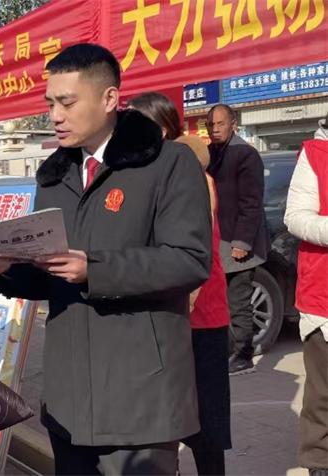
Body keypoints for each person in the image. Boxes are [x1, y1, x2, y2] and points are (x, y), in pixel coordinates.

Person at [0, 44, 212, 475]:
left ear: (109, 99)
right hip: (69, 397)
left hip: (141, 393)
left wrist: (94, 269)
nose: (55, 116)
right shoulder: (55, 175)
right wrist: (8, 270)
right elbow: (51, 274)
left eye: (67, 103)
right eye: (50, 104)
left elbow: (189, 260)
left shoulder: (168, 164)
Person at [128, 92, 232, 475]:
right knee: (162, 420)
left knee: (204, 422)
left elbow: (192, 256)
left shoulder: (194, 178)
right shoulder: (137, 175)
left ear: (162, 130)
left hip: (197, 315)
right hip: (161, 315)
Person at [207, 103, 269, 375]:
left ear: (233, 123)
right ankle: (228, 351)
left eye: (220, 123)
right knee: (219, 301)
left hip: (240, 242)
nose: (215, 129)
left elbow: (251, 203)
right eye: (211, 124)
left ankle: (244, 355)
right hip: (218, 240)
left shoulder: (246, 154)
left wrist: (242, 243)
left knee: (239, 302)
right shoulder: (211, 153)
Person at [284, 113, 328, 476]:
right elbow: (295, 217)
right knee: (323, 392)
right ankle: (319, 461)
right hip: (323, 295)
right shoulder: (315, 153)